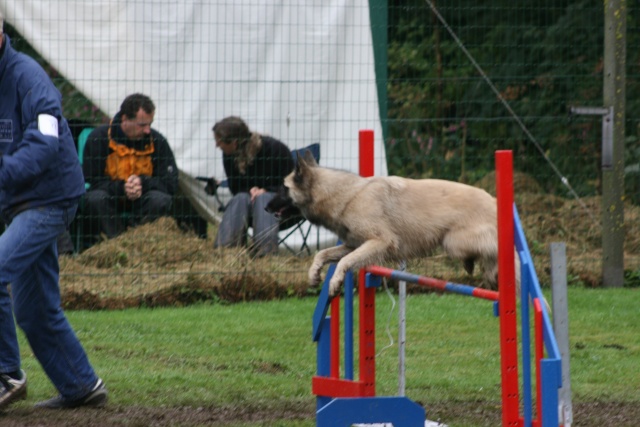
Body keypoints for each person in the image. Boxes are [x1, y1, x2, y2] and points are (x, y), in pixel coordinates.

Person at [0, 14, 107, 409]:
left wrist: (4, 172)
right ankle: (82, 387)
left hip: (50, 200)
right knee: (33, 309)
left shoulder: (28, 77)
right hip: (20, 204)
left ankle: (6, 375)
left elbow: (45, 141)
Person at [82, 93, 179, 243]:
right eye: (142, 125)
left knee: (160, 200)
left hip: (143, 199)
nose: (148, 130)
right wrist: (122, 188)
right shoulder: (98, 138)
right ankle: (116, 244)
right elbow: (92, 181)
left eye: (150, 124)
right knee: (94, 199)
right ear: (125, 120)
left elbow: (170, 183)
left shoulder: (157, 141)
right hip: (111, 197)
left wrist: (142, 182)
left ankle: (138, 242)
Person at [211, 116, 294, 257]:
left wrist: (267, 190)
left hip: (284, 205)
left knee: (264, 199)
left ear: (234, 143)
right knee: (240, 198)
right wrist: (250, 191)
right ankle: (226, 253)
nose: (217, 145)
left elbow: (293, 186)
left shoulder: (275, 149)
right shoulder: (229, 155)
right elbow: (235, 188)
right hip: (250, 206)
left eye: (219, 141)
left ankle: (265, 255)